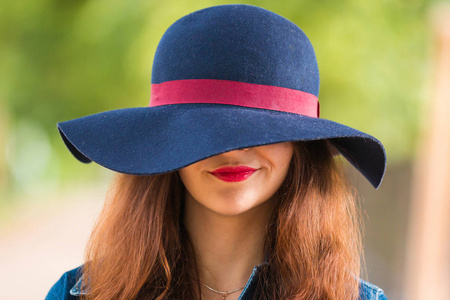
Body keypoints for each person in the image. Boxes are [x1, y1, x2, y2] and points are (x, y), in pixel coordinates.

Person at [46, 4, 388, 300]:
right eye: (206, 130)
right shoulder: (83, 293)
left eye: (264, 129)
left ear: (300, 146)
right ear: (164, 142)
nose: (235, 147)